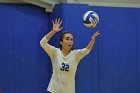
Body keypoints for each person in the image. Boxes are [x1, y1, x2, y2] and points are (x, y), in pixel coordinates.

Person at [40, 18, 100, 93]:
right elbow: (42, 43)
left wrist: (92, 39)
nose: (70, 41)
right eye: (67, 39)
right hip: (54, 90)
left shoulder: (76, 55)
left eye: (71, 39)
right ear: (61, 42)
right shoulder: (55, 52)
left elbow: (87, 50)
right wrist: (53, 31)